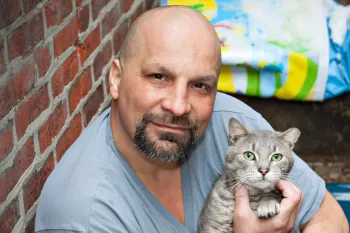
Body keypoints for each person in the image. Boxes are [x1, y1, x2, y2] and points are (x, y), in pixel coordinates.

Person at [35, 6, 348, 233]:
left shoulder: (232, 120)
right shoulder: (83, 215)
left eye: (200, 85)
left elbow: (327, 215)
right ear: (115, 79)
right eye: (159, 76)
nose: (179, 105)